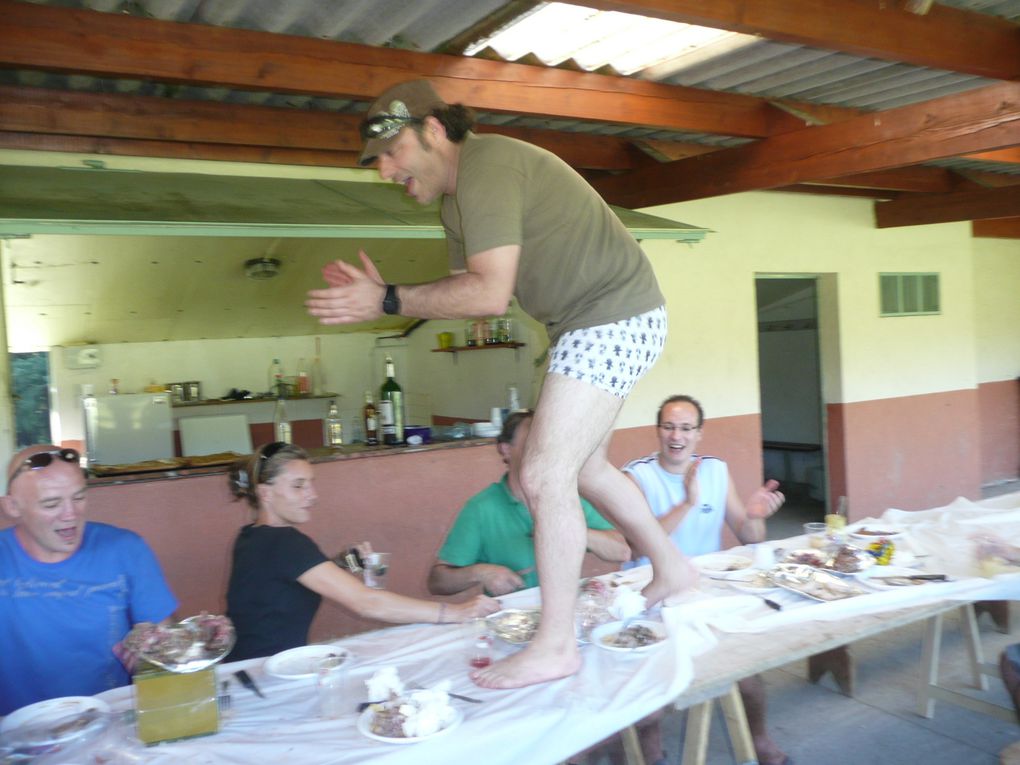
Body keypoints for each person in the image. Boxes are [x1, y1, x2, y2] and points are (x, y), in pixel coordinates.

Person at [306, 78, 695, 689]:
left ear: (434, 130)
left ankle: (556, 645)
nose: (384, 171)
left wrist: (385, 298)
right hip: (594, 323)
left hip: (612, 315)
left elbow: (486, 291)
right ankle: (671, 567)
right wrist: (390, 297)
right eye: (375, 161)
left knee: (542, 475)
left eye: (391, 151)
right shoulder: (456, 202)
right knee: (585, 469)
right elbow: (477, 299)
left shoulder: (487, 165)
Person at [622, 395, 788, 765]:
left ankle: (759, 741)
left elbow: (750, 537)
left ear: (699, 433)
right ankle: (651, 754)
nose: (676, 436)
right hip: (651, 595)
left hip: (705, 592)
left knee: (746, 665)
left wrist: (756, 513)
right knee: (650, 694)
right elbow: (635, 546)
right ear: (657, 431)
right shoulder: (636, 475)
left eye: (685, 428)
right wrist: (686, 503)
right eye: (668, 426)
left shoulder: (714, 469)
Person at [225, 442, 499, 661]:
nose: (313, 495)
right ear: (266, 493)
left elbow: (288, 581)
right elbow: (367, 602)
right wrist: (455, 613)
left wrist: (339, 563)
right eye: (298, 486)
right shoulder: (285, 542)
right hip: (266, 677)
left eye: (311, 483)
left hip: (246, 667)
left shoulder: (251, 536)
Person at [0, 445, 177, 714]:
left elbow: (166, 646)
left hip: (110, 722)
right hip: (17, 734)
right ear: (12, 506)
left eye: (79, 497)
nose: (71, 514)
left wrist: (156, 658)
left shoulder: (125, 549)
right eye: (51, 503)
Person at [428, 410, 631, 597]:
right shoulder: (481, 508)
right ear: (506, 450)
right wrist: (481, 572)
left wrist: (571, 531)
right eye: (533, 441)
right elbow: (437, 581)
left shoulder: (566, 497)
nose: (544, 449)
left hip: (565, 614)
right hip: (511, 624)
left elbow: (621, 551)